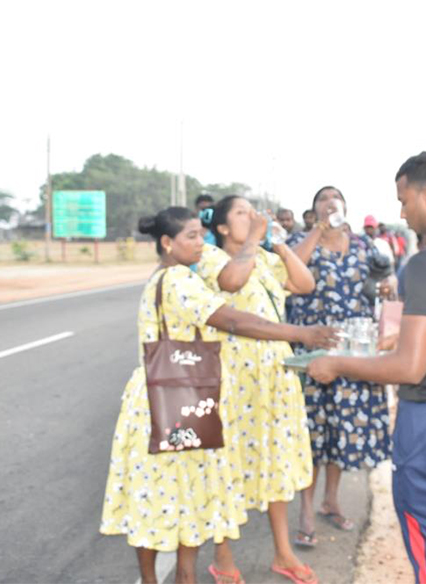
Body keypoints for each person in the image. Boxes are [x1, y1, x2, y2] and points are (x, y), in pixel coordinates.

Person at [100, 207, 337, 584]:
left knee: (183, 492)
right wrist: (300, 333)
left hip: (181, 393)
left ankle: (184, 577)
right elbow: (232, 320)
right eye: (191, 236)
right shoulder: (177, 280)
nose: (200, 242)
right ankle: (158, 579)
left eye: (200, 235)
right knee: (162, 494)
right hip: (170, 400)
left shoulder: (177, 275)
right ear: (167, 243)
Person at [307, 151, 426, 584]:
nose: (402, 212)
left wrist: (338, 363)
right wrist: (398, 337)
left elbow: (411, 368)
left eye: (404, 200)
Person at [197, 196, 319, 584]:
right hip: (232, 381)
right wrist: (254, 240)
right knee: (227, 467)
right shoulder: (211, 260)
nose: (251, 218)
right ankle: (223, 558)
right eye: (240, 213)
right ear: (220, 228)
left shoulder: (265, 259)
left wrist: (279, 243)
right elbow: (232, 282)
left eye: (253, 212)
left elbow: (304, 282)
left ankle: (283, 553)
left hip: (274, 380)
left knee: (276, 463)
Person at [287, 186, 392, 549]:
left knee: (341, 428)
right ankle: (304, 510)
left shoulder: (363, 244)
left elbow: (376, 284)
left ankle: (331, 499)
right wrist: (317, 229)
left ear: (346, 206)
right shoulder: (301, 240)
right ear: (314, 209)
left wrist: (383, 288)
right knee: (311, 431)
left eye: (336, 198)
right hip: (313, 348)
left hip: (353, 351)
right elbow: (290, 273)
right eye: (322, 199)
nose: (330, 203)